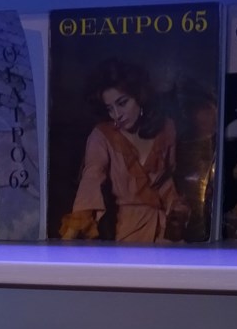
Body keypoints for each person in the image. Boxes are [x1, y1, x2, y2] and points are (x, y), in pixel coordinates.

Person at [60, 58, 187, 243]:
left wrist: (178, 216)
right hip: (128, 235)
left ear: (140, 96)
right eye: (110, 109)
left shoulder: (167, 129)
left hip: (167, 235)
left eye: (122, 103)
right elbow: (91, 179)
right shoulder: (102, 136)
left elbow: (168, 182)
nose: (117, 115)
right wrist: (71, 233)